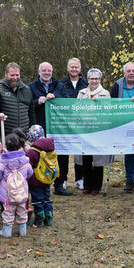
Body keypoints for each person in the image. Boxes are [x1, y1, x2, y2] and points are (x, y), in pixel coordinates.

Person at [110, 62, 134, 193]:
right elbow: (113, 103)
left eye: (133, 71)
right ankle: (129, 180)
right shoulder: (117, 85)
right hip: (125, 124)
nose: (131, 73)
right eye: (129, 71)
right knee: (128, 154)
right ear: (124, 73)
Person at [53, 58, 87, 195]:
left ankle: (79, 179)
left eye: (76, 67)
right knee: (63, 153)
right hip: (65, 124)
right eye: (71, 67)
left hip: (81, 123)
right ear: (67, 69)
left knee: (81, 151)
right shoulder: (60, 83)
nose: (74, 69)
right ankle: (63, 180)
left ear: (80, 69)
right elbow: (56, 98)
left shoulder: (85, 84)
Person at [76, 69, 113, 194]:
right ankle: (87, 185)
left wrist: (99, 104)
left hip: (99, 131)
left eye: (96, 78)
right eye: (92, 78)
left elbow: (109, 111)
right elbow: (76, 109)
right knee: (86, 158)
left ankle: (96, 186)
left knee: (98, 160)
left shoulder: (105, 94)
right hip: (85, 131)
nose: (94, 81)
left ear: (100, 80)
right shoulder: (81, 93)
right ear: (88, 80)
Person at [0, 133, 33, 237]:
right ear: (19, 145)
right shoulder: (25, 161)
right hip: (21, 192)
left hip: (7, 195)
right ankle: (22, 230)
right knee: (22, 211)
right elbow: (30, 173)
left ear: (6, 147)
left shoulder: (2, 162)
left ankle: (7, 232)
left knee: (8, 212)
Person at [0, 62, 36, 137]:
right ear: (6, 74)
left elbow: (32, 112)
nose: (15, 78)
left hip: (24, 135)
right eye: (12, 75)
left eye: (17, 75)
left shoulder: (27, 89)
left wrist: (33, 128)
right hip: (5, 134)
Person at [27, 134, 57, 227]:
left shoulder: (32, 152)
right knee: (46, 198)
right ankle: (49, 218)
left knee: (37, 200)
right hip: (47, 179)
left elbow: (28, 167)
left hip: (35, 181)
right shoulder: (50, 149)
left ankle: (39, 220)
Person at [29, 62, 59, 129]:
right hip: (38, 127)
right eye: (44, 70)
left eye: (49, 71)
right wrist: (37, 102)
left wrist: (55, 96)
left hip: (55, 126)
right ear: (39, 72)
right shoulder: (30, 87)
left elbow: (65, 100)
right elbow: (27, 106)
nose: (47, 73)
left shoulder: (59, 85)